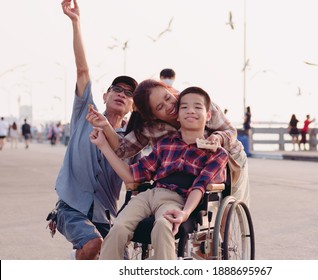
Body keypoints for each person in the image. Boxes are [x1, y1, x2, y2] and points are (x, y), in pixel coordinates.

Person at [90, 86, 229, 260]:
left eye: (197, 107)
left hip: (177, 199)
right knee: (118, 228)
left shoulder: (217, 153)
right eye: (184, 107)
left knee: (164, 225)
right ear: (177, 115)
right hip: (148, 195)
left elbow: (200, 186)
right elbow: (132, 175)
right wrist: (102, 144)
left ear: (209, 115)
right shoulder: (165, 144)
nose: (191, 111)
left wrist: (185, 212)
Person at [51, 0, 139, 260]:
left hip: (105, 214)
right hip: (71, 207)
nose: (122, 95)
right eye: (117, 90)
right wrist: (76, 23)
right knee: (92, 244)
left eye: (129, 94)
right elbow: (82, 69)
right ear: (105, 94)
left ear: (133, 106)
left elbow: (133, 178)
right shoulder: (85, 114)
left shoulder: (132, 141)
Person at [87, 79, 250, 207]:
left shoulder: (196, 104)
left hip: (229, 160)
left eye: (168, 97)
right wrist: (106, 126)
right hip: (190, 170)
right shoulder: (150, 127)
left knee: (226, 210)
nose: (170, 106)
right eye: (160, 107)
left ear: (170, 90)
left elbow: (231, 132)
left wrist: (218, 138)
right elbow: (123, 150)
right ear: (152, 116)